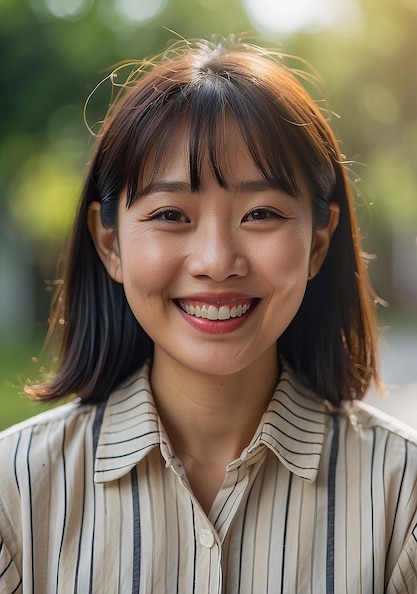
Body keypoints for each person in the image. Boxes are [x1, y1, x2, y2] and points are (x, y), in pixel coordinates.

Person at [0, 36, 416, 594]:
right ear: (110, 244)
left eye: (261, 213)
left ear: (319, 242)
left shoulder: (403, 498)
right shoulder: (15, 493)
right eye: (171, 213)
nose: (217, 262)